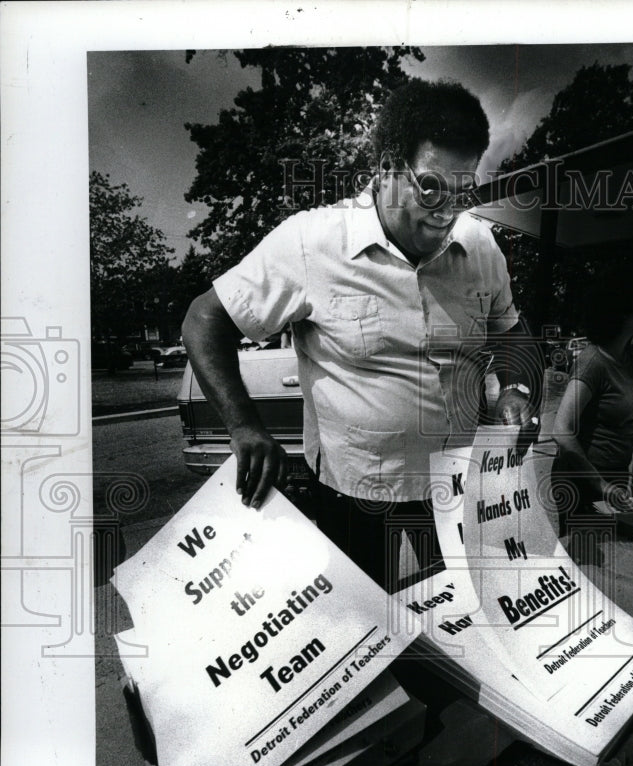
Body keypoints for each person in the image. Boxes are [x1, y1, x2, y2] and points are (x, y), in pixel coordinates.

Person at [182, 78, 543, 593]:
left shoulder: (480, 246)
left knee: (467, 625)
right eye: (432, 188)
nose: (447, 213)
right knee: (359, 638)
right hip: (352, 493)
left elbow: (513, 334)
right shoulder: (312, 241)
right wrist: (244, 427)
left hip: (457, 490)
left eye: (464, 193)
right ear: (388, 168)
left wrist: (517, 388)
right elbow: (204, 319)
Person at [551, 269, 633, 536]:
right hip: (583, 482)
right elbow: (562, 431)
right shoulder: (593, 362)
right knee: (590, 564)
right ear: (623, 312)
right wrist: (601, 484)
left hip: (614, 477)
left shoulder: (628, 356)